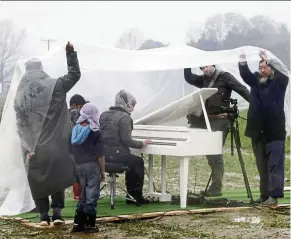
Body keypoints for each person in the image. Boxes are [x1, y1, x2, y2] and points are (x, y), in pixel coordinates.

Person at [14, 42, 81, 226]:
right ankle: (58, 213)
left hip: (33, 146)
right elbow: (74, 75)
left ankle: (43, 215)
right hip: (57, 144)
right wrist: (70, 53)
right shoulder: (57, 85)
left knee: (37, 178)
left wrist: (28, 147)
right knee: (56, 176)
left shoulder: (22, 94)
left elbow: (20, 123)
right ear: (42, 69)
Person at [184, 65, 250, 197]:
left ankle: (216, 187)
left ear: (213, 64)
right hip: (207, 120)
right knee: (210, 152)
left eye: (206, 67)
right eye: (201, 68)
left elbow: (242, 89)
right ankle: (215, 186)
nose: (204, 70)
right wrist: (187, 63)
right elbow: (189, 78)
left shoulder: (225, 77)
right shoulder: (204, 79)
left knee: (214, 151)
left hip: (221, 120)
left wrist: (256, 104)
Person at [238, 50, 289, 206]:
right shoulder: (255, 83)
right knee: (262, 166)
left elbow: (284, 73)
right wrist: (242, 62)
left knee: (275, 165)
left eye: (266, 67)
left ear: (272, 69)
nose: (263, 70)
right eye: (260, 67)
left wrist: (269, 59)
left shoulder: (279, 83)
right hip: (258, 131)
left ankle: (274, 196)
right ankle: (264, 195)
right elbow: (246, 75)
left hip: (275, 131)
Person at [99, 90, 151, 205]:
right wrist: (142, 143)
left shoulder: (104, 114)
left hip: (103, 156)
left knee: (132, 161)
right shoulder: (125, 117)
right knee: (138, 162)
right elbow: (126, 140)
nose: (132, 109)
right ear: (126, 103)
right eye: (132, 105)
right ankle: (134, 195)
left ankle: (131, 195)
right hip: (117, 156)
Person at [71, 103, 105, 233]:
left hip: (78, 165)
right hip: (92, 165)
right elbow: (100, 155)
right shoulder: (95, 131)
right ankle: (90, 224)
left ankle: (77, 224)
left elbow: (72, 151)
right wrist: (102, 171)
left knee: (83, 194)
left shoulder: (75, 130)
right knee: (92, 194)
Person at [69, 94, 87, 200]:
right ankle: (81, 195)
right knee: (80, 171)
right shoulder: (75, 113)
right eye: (81, 106)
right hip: (77, 147)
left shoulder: (63, 114)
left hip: (66, 148)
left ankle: (76, 195)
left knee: (75, 172)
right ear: (74, 105)